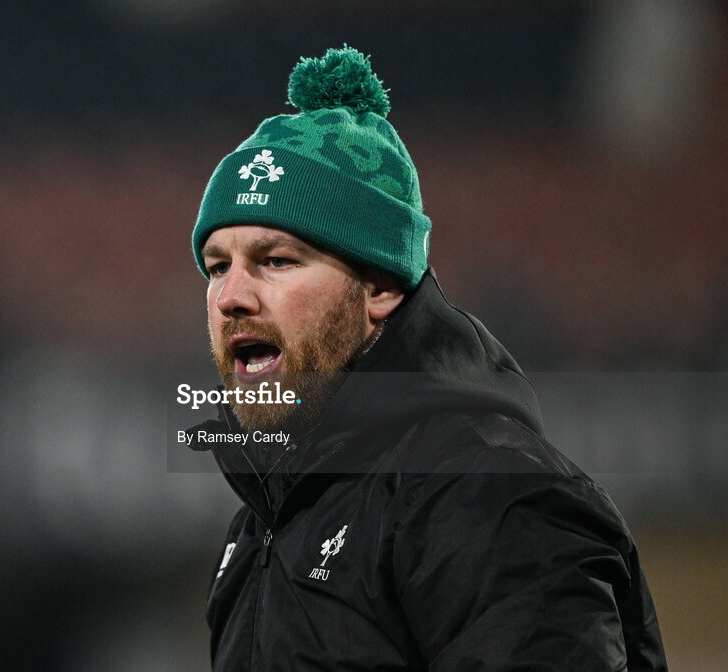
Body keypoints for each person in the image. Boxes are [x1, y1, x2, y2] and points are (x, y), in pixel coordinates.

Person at [186, 46, 667, 671]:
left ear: (381, 286)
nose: (230, 297)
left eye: (276, 260)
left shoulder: (488, 494)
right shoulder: (262, 524)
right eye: (218, 266)